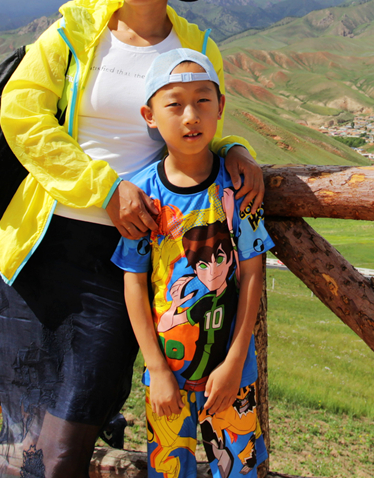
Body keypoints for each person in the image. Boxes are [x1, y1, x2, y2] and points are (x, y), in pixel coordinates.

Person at [0, 0, 265, 478]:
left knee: (74, 426)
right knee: (21, 429)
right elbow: (22, 116)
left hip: (128, 259)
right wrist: (106, 187)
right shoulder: (73, 31)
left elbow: (196, 119)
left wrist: (236, 149)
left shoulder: (197, 44)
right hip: (41, 246)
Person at [113, 48, 270, 478]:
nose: (190, 116)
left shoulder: (238, 189)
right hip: (167, 378)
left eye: (203, 101)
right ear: (150, 115)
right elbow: (134, 285)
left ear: (221, 107)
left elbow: (253, 272)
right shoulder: (141, 197)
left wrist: (237, 358)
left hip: (232, 372)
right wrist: (157, 369)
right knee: (168, 471)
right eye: (175, 104)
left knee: (239, 470)